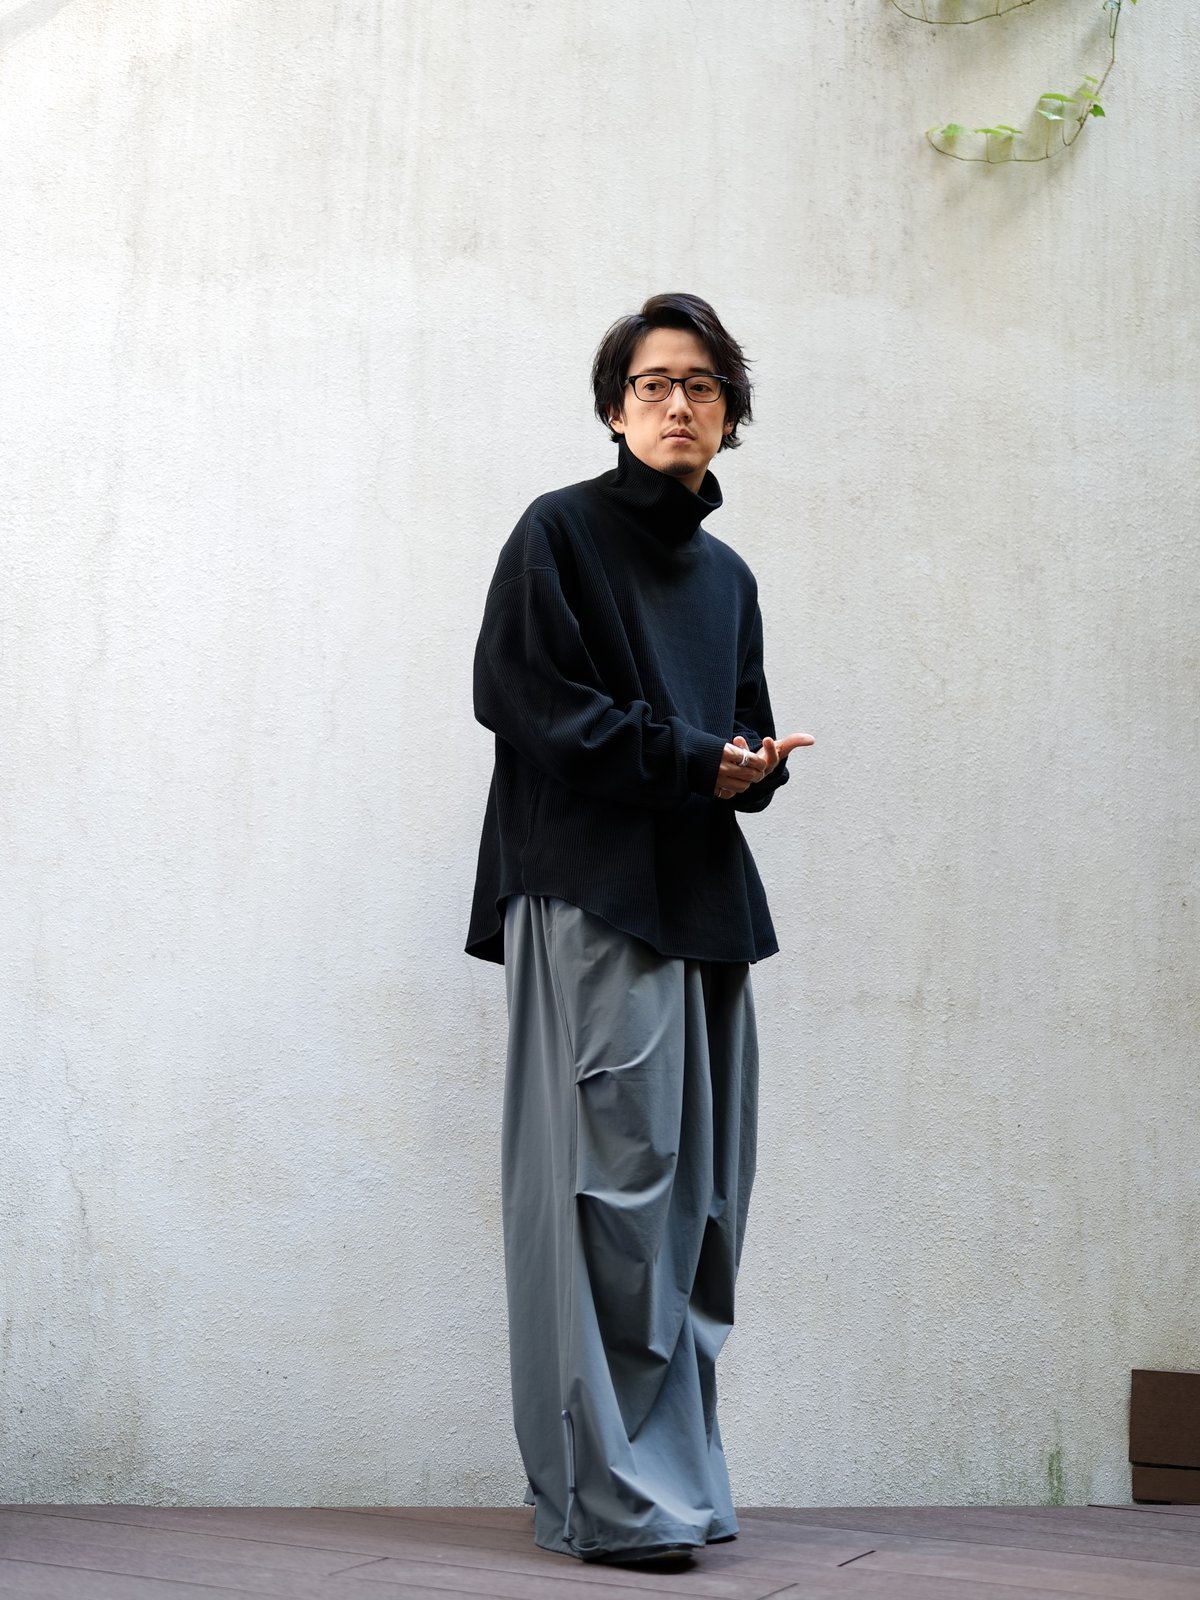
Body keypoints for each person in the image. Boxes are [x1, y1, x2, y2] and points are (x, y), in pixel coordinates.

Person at [465, 292, 812, 1566]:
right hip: (593, 892)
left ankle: (677, 1481)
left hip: (705, 905)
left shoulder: (729, 577)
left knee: (704, 1205)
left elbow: (735, 733)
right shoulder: (556, 532)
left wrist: (754, 766)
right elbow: (520, 695)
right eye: (655, 384)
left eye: (703, 386)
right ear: (615, 410)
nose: (679, 403)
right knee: (609, 1196)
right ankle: (604, 1497)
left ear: (729, 416)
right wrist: (692, 757)